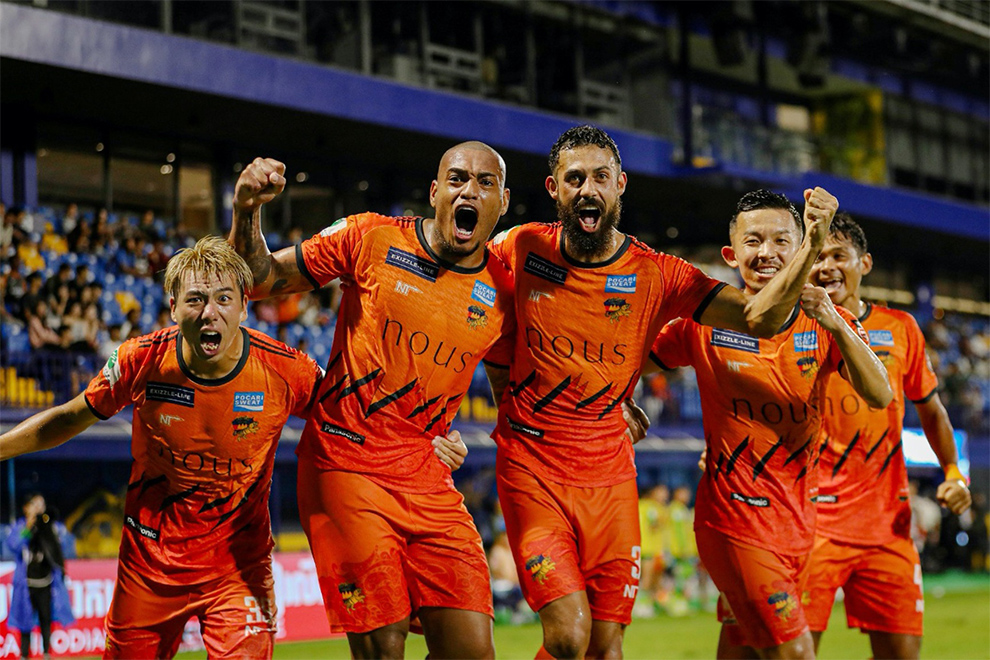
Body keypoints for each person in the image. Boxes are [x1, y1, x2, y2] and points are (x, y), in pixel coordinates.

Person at [230, 147, 648, 660]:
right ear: (436, 193)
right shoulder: (371, 236)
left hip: (428, 476)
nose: (468, 191)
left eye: (484, 183)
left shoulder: (504, 290)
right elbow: (260, 278)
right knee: (385, 648)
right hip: (347, 464)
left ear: (503, 203)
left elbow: (522, 383)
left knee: (473, 652)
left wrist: (603, 407)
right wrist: (247, 210)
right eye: (456, 179)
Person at [481, 126, 845, 660]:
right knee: (567, 636)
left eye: (600, 177)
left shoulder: (657, 273)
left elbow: (759, 318)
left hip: (610, 476)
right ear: (554, 188)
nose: (588, 189)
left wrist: (813, 243)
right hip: (532, 469)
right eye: (574, 179)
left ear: (620, 185)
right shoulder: (520, 247)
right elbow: (463, 295)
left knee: (606, 649)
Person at [1, 237, 328, 659]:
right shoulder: (141, 360)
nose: (210, 312)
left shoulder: (287, 370)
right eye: (195, 299)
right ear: (173, 307)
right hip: (148, 568)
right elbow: (68, 417)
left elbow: (358, 416)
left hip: (237, 569)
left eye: (224, 298)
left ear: (244, 307)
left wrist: (426, 442)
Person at [648, 190, 893, 659]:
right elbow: (626, 361)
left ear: (801, 246)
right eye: (753, 241)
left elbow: (880, 393)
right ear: (731, 254)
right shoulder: (703, 324)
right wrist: (623, 404)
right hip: (734, 520)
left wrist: (837, 324)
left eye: (781, 241)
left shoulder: (826, 321)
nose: (766, 253)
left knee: (741, 648)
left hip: (798, 523)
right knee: (795, 652)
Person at [802, 213, 972, 659]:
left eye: (839, 255)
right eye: (818, 257)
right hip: (812, 523)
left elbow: (932, 410)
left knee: (902, 653)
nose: (827, 266)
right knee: (793, 652)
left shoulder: (901, 329)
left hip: (887, 527)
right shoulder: (793, 327)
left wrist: (953, 472)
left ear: (866, 263)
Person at [6, 492, 75, 660]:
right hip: (26, 584)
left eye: (41, 505)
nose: (38, 509)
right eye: (34, 505)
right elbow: (13, 545)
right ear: (26, 508)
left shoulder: (50, 526)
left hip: (46, 583)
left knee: (46, 618)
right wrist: (28, 527)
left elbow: (64, 547)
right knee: (24, 620)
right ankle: (24, 655)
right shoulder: (21, 526)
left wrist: (50, 529)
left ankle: (46, 653)